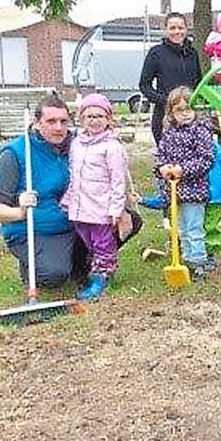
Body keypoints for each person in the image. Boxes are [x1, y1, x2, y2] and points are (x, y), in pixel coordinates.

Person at [0, 96, 81, 288]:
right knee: (53, 276)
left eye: (63, 122)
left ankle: (81, 267)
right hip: (34, 230)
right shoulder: (14, 154)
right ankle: (37, 267)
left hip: (74, 224)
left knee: (128, 220)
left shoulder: (77, 147)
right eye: (51, 122)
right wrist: (19, 211)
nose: (59, 128)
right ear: (37, 123)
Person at [59, 94, 129, 301]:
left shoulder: (112, 147)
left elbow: (118, 180)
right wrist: (69, 198)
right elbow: (74, 173)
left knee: (102, 242)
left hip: (101, 205)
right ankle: (97, 269)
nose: (95, 120)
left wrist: (117, 208)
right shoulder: (77, 144)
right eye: (89, 116)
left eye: (99, 116)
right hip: (80, 205)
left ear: (108, 119)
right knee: (88, 241)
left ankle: (103, 275)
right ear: (81, 119)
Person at [155, 88, 215, 280]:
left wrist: (183, 169)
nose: (185, 113)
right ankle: (184, 259)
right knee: (180, 228)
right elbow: (160, 157)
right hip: (174, 191)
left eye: (189, 108)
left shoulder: (200, 132)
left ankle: (197, 262)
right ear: (171, 113)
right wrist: (162, 168)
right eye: (180, 110)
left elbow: (206, 160)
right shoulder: (168, 134)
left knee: (193, 228)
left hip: (194, 190)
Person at [139, 12, 202, 144]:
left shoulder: (192, 53)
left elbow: (198, 82)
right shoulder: (156, 53)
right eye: (172, 28)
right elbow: (144, 85)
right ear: (165, 30)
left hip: (189, 115)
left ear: (186, 29)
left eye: (180, 28)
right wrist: (166, 101)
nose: (177, 32)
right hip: (165, 116)